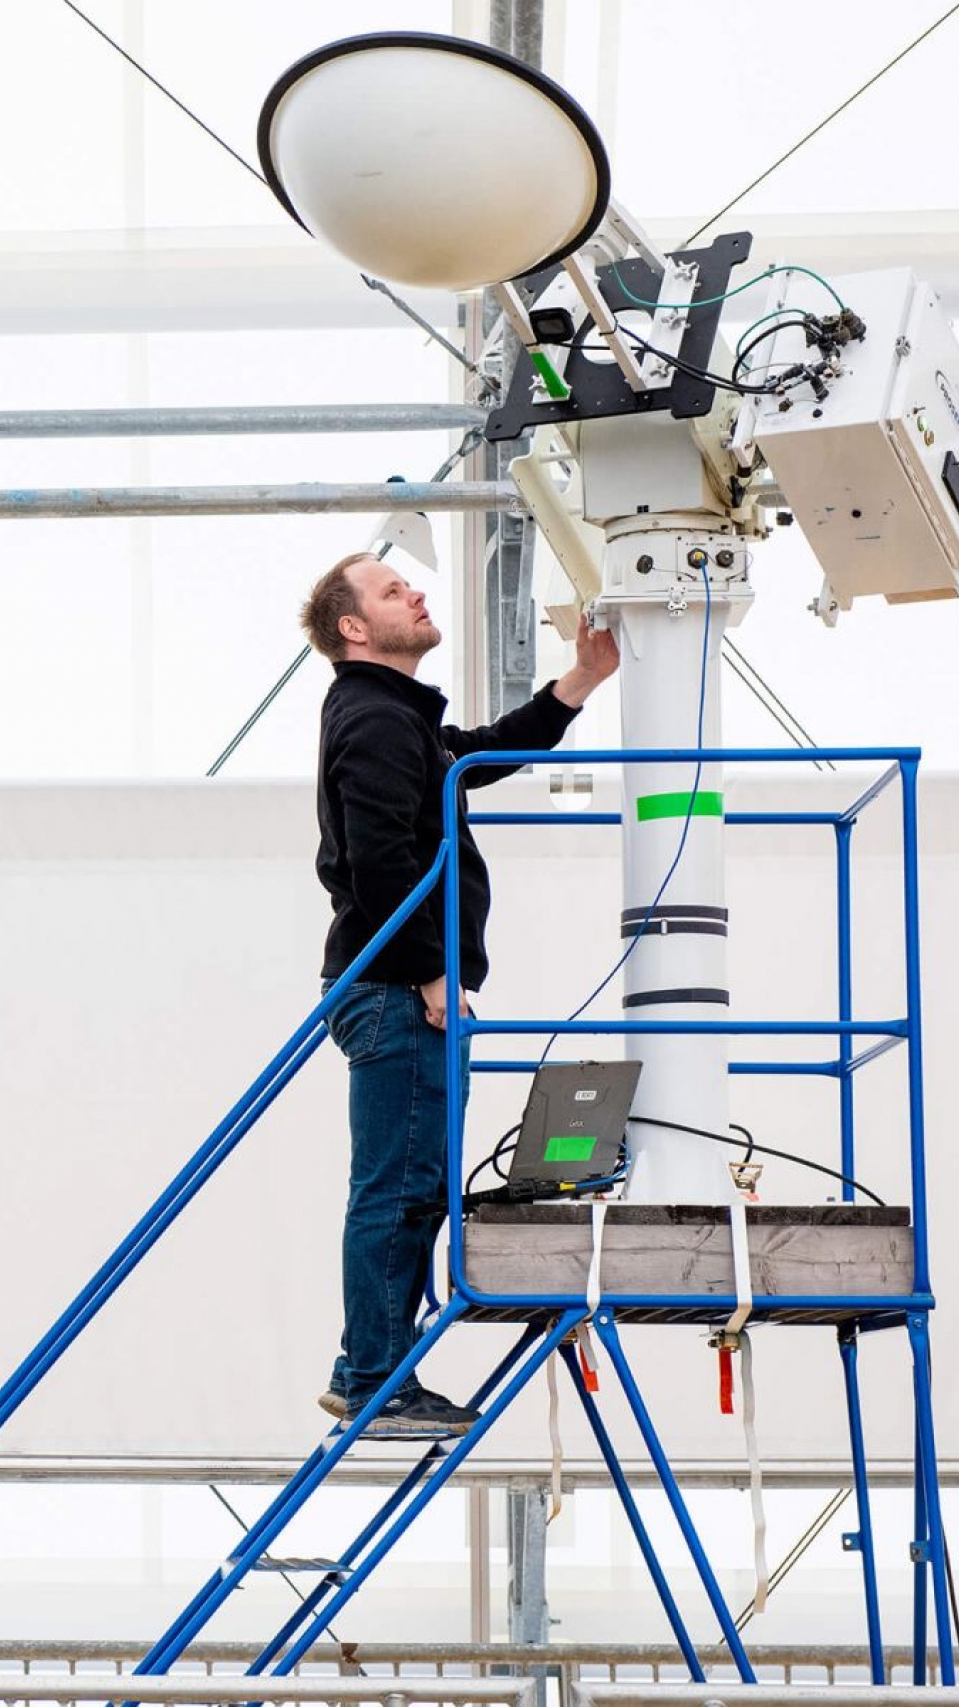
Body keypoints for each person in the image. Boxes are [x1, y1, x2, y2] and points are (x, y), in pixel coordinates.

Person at [300, 550, 618, 1436]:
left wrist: (580, 681)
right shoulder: (371, 719)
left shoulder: (395, 718)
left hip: (404, 986)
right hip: (401, 989)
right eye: (394, 590)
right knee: (401, 1188)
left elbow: (477, 757)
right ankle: (374, 1378)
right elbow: (381, 862)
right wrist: (433, 969)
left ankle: (367, 1363)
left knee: (415, 1184)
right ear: (356, 628)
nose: (417, 593)